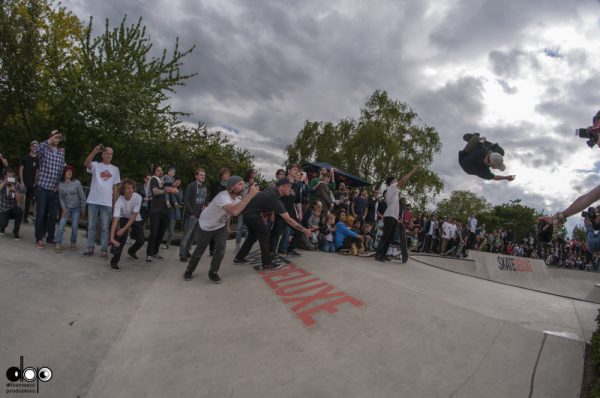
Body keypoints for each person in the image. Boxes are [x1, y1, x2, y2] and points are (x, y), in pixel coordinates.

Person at [183, 176, 259, 283]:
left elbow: (229, 214)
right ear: (232, 187)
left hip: (220, 226)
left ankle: (213, 272)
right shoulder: (222, 196)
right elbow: (234, 211)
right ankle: (189, 271)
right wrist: (251, 194)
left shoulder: (237, 199)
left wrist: (227, 225)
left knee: (221, 249)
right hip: (206, 226)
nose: (244, 186)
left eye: (243, 184)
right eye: (240, 184)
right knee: (199, 250)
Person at [234, 179, 314, 270]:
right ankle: (267, 264)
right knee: (264, 237)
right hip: (252, 215)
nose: (291, 189)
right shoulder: (274, 198)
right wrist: (305, 230)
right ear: (281, 186)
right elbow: (289, 220)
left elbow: (260, 200)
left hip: (248, 214)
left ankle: (239, 258)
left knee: (252, 237)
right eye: (289, 186)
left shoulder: (272, 192)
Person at [82, 144, 121, 258]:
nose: (109, 155)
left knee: (105, 227)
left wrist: (115, 202)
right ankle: (89, 248)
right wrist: (94, 151)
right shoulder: (96, 165)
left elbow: (115, 186)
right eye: (107, 153)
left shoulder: (115, 169)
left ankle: (104, 249)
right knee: (91, 226)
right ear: (103, 155)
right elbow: (86, 163)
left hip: (107, 202)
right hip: (93, 200)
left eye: (111, 154)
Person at [375, 166, 419, 263]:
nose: (397, 181)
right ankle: (379, 254)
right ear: (391, 182)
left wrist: (398, 218)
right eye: (395, 180)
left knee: (390, 237)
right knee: (386, 236)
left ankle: (383, 254)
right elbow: (404, 179)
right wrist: (413, 170)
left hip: (393, 217)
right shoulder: (392, 187)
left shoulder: (395, 192)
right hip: (389, 216)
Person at [34, 130, 66, 248]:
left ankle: (50, 237)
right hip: (42, 187)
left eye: (58, 138)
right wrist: (49, 141)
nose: (56, 139)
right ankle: (39, 238)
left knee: (53, 215)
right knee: (41, 214)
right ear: (51, 138)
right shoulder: (44, 149)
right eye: (54, 137)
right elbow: (36, 150)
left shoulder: (61, 153)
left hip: (54, 190)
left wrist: (59, 185)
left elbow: (62, 170)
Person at [108, 179, 145, 272]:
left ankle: (131, 251)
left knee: (141, 240)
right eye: (128, 188)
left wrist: (124, 229)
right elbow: (115, 220)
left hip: (135, 218)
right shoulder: (119, 201)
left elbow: (133, 216)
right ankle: (114, 262)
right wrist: (112, 238)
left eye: (132, 188)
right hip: (124, 217)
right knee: (122, 239)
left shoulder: (138, 197)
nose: (130, 190)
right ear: (123, 190)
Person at [146, 166, 179, 262]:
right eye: (158, 170)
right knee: (154, 232)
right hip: (156, 210)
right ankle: (149, 254)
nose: (160, 172)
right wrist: (167, 190)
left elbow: (175, 190)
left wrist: (174, 190)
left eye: (161, 170)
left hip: (165, 211)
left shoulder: (163, 181)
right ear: (154, 172)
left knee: (161, 233)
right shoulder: (154, 180)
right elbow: (155, 192)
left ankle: (155, 252)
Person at [270, 164, 303, 257]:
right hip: (280, 210)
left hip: (291, 212)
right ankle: (272, 252)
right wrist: (272, 212)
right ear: (289, 170)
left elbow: (298, 201)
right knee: (276, 233)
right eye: (295, 169)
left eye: (297, 170)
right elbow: (274, 198)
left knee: (299, 231)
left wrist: (300, 213)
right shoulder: (282, 182)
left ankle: (289, 249)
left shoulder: (297, 185)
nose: (297, 171)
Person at [179, 168, 208, 262]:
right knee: (186, 236)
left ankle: (187, 251)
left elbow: (204, 200)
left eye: (204, 175)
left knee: (193, 236)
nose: (203, 177)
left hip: (200, 216)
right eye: (201, 175)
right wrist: (191, 213)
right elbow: (186, 200)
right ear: (196, 176)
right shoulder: (191, 186)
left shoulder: (204, 187)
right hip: (192, 215)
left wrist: (205, 205)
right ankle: (182, 255)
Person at [55, 165, 86, 253]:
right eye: (67, 171)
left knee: (75, 226)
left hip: (77, 208)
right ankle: (58, 243)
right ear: (64, 173)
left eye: (71, 171)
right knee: (61, 225)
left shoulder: (77, 183)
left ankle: (73, 242)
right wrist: (64, 208)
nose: (69, 172)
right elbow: (61, 198)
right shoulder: (60, 185)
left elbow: (82, 196)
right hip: (67, 208)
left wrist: (83, 208)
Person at [235, 169, 257, 251]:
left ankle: (246, 245)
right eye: (253, 172)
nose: (255, 174)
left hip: (251, 208)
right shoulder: (243, 184)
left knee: (249, 228)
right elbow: (241, 195)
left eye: (256, 173)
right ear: (249, 174)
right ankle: (237, 245)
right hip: (242, 208)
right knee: (239, 228)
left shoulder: (255, 184)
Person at [18, 140, 39, 223]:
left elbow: (38, 171)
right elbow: (21, 170)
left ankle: (25, 217)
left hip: (32, 184)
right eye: (33, 146)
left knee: (29, 201)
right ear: (30, 147)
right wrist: (22, 182)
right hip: (24, 183)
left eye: (36, 147)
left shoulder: (38, 159)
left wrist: (35, 182)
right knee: (22, 200)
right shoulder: (25, 157)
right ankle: (19, 217)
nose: (34, 148)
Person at [0, 169, 24, 239]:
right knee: (3, 223)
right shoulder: (1, 182)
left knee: (20, 211)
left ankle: (16, 231)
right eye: (8, 176)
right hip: (3, 209)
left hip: (13, 208)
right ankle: (2, 227)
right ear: (4, 177)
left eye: (12, 177)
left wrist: (14, 191)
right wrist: (5, 182)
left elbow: (19, 199)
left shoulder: (16, 184)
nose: (10, 178)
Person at [164, 176, 184, 249]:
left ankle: (168, 244)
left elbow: (180, 200)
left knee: (171, 228)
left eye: (179, 183)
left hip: (174, 211)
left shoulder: (180, 190)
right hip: (165, 210)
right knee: (163, 227)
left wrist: (177, 192)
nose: (177, 183)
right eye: (177, 182)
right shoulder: (168, 187)